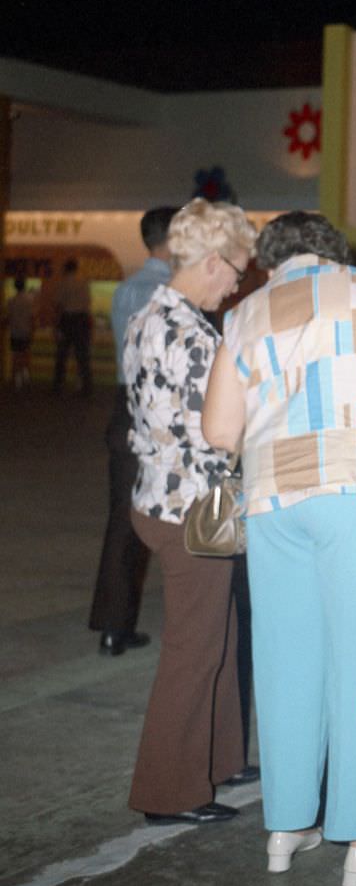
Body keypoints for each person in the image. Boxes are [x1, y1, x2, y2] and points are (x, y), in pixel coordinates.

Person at [203, 211, 356, 886]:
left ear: (270, 263)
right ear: (332, 252)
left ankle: (287, 824)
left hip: (272, 500)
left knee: (285, 661)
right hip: (352, 488)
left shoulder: (243, 315)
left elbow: (220, 429)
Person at [123, 198, 258, 825]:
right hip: (192, 512)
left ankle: (220, 757)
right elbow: (221, 431)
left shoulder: (149, 316)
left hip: (157, 498)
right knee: (193, 650)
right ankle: (168, 791)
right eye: (236, 269)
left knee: (219, 638)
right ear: (211, 262)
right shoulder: (195, 335)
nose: (239, 281)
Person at [89, 206, 178, 656]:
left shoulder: (126, 288)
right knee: (184, 521)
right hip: (159, 409)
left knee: (122, 518)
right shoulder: (170, 292)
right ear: (173, 240)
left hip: (125, 406)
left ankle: (112, 626)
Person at [53, 257, 93, 395]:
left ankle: (58, 385)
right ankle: (86, 386)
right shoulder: (83, 282)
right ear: (76, 268)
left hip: (67, 320)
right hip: (81, 320)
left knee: (62, 354)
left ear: (66, 269)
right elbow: (88, 303)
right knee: (82, 355)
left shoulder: (63, 283)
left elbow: (58, 305)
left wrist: (56, 324)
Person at [4, 276, 35, 390]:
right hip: (26, 331)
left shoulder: (11, 301)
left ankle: (17, 380)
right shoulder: (29, 300)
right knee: (25, 354)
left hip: (15, 332)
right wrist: (33, 330)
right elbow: (32, 318)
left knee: (16, 355)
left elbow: (8, 318)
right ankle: (26, 376)